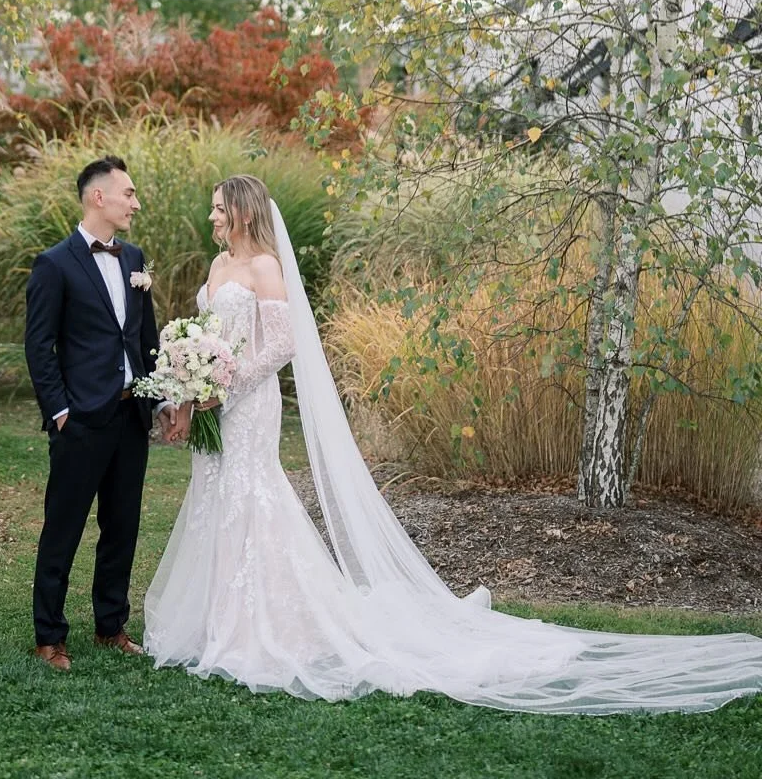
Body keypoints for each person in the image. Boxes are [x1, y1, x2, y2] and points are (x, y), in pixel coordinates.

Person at [143, 174, 762, 713]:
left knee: (255, 495)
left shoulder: (266, 268)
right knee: (215, 493)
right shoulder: (219, 267)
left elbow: (279, 346)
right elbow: (206, 335)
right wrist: (188, 387)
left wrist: (225, 384)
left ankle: (265, 624)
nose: (213, 217)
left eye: (220, 208)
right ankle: (216, 621)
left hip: (247, 405)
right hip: (213, 405)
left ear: (245, 211)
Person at [24, 155, 177, 671]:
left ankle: (111, 625)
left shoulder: (134, 258)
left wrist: (159, 401)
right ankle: (50, 635)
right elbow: (38, 346)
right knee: (63, 528)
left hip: (129, 417)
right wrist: (60, 411)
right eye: (128, 194)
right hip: (81, 421)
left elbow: (146, 340)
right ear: (99, 197)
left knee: (123, 525)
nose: (135, 203)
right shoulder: (54, 264)